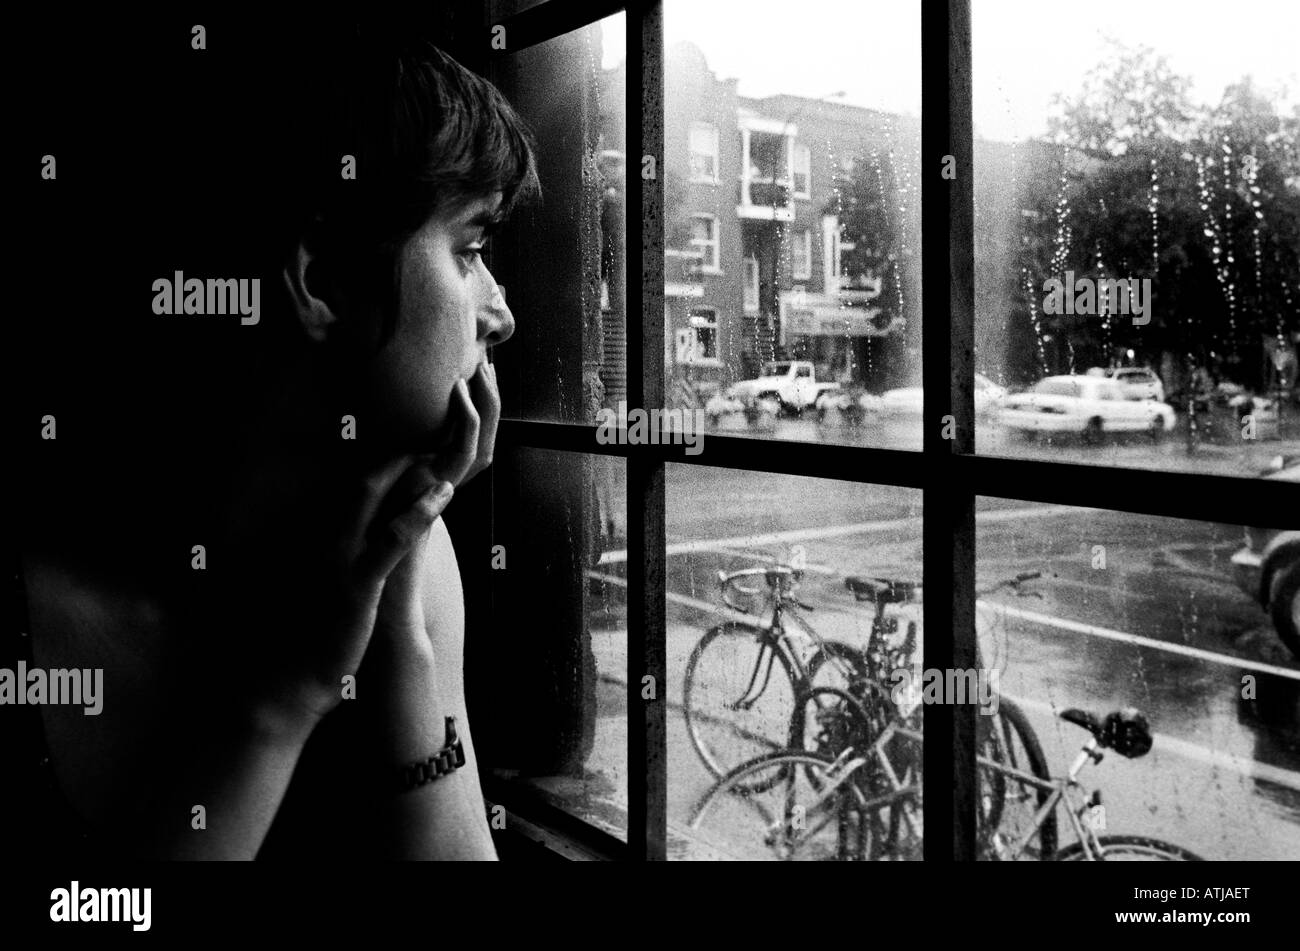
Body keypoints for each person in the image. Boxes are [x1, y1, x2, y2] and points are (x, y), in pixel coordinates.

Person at [10, 20, 539, 860]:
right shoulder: (42, 610)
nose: (503, 313)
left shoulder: (415, 559)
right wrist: (284, 698)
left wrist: (402, 641)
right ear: (321, 277)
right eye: (471, 248)